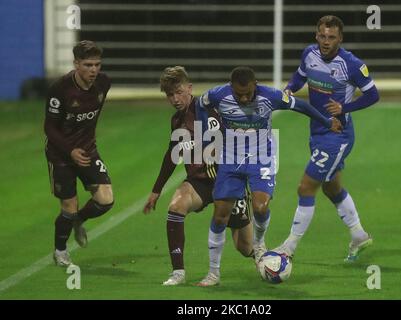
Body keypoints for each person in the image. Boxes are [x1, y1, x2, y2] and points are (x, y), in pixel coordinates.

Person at [196, 66, 342, 286]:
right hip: (230, 158)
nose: (244, 98)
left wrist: (327, 121)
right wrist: (205, 140)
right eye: (239, 94)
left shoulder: (270, 96)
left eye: (247, 93)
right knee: (220, 215)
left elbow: (301, 106)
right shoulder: (218, 94)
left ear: (255, 85)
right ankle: (213, 273)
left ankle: (259, 243)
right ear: (231, 88)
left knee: (261, 206)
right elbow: (200, 104)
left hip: (261, 156)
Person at [275, 15, 380, 262]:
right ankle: (358, 234)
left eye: (331, 37)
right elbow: (301, 76)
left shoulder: (351, 64)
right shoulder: (309, 54)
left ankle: (288, 248)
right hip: (317, 130)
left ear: (340, 39)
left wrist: (345, 107)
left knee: (306, 186)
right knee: (332, 187)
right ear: (316, 35)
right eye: (322, 36)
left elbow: (373, 95)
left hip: (337, 134)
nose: (325, 41)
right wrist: (290, 88)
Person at [143, 66, 254, 286]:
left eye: (178, 92)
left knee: (244, 247)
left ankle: (266, 259)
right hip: (199, 183)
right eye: (169, 95)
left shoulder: (210, 109)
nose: (175, 99)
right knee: (176, 206)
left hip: (227, 178)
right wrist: (156, 190)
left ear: (189, 88)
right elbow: (172, 156)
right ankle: (178, 272)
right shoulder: (177, 121)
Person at [44, 40, 114, 267]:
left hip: (87, 151)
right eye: (88, 65)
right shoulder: (60, 89)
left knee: (106, 200)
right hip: (60, 154)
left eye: (97, 64)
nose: (93, 70)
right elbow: (50, 128)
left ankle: (79, 221)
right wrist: (69, 150)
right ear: (76, 64)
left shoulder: (104, 84)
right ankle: (60, 250)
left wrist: (84, 146)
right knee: (68, 206)